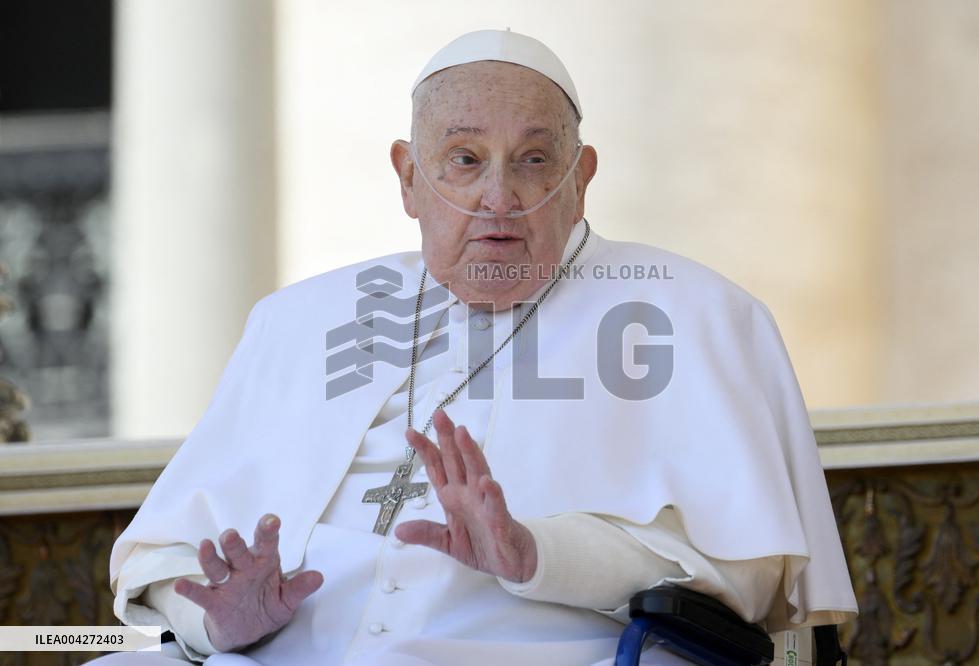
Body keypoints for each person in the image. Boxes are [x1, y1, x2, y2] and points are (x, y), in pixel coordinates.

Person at [92, 29, 857, 666]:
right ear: (408, 178)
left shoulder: (693, 312)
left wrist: (536, 552)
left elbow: (751, 574)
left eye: (532, 161)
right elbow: (162, 557)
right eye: (463, 159)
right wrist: (218, 622)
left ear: (581, 179)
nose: (499, 199)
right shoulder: (300, 321)